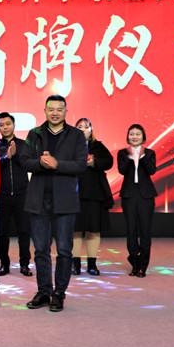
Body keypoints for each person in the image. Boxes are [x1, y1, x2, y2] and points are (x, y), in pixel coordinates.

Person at [20, 95, 87, 312]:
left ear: (66, 111)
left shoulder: (76, 135)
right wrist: (40, 163)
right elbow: (24, 161)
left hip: (65, 202)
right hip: (38, 201)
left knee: (65, 250)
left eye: (59, 109)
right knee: (41, 250)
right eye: (51, 109)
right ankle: (44, 291)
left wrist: (57, 164)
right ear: (45, 111)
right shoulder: (35, 133)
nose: (55, 113)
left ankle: (59, 294)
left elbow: (81, 165)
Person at [72, 118, 114, 276]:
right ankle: (75, 264)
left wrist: (94, 162)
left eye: (86, 126)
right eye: (79, 126)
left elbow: (109, 162)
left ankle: (92, 264)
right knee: (75, 230)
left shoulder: (98, 146)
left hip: (95, 194)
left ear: (91, 130)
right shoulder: (69, 146)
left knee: (93, 230)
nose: (83, 129)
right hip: (74, 193)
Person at [117, 123, 158, 278]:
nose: (134, 136)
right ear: (128, 137)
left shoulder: (150, 153)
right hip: (129, 195)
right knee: (131, 231)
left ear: (143, 137)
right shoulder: (122, 153)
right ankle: (135, 263)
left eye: (138, 134)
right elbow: (122, 170)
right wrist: (130, 157)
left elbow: (152, 171)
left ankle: (143, 266)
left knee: (145, 232)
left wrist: (141, 156)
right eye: (132, 134)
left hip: (145, 196)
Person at [0, 112, 32, 277]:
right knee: (2, 232)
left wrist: (16, 155)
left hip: (22, 194)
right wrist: (6, 156)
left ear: (14, 125)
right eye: (2, 125)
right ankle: (4, 264)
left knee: (24, 231)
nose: (5, 127)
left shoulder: (24, 145)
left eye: (8, 124)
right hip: (2, 194)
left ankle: (24, 265)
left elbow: (29, 165)